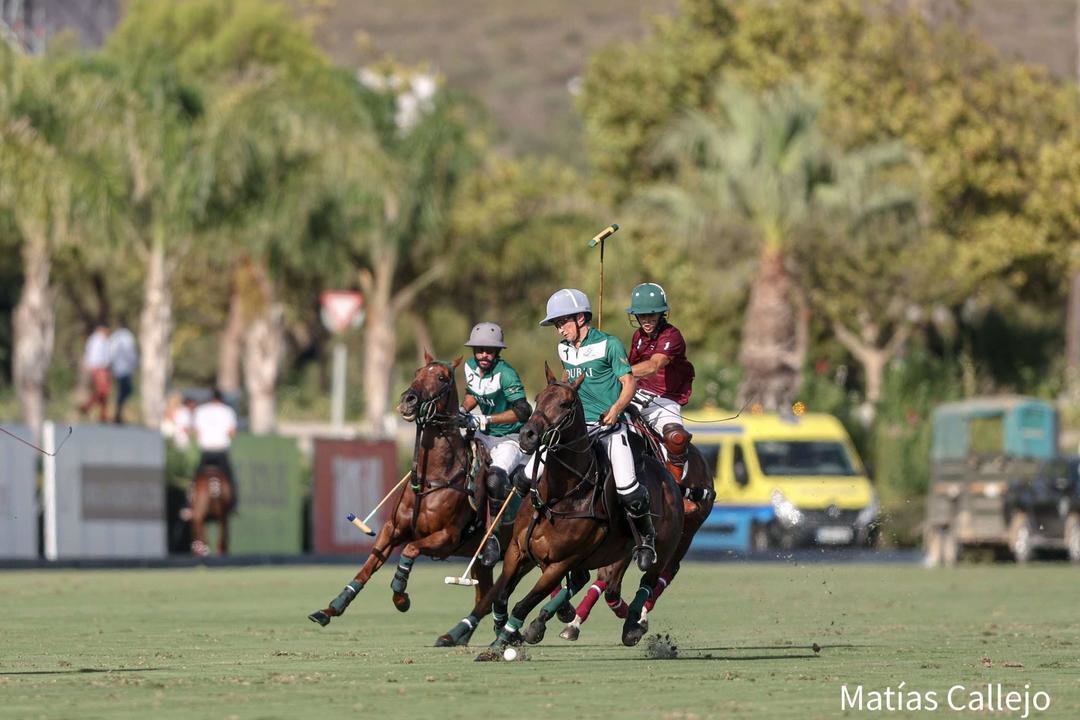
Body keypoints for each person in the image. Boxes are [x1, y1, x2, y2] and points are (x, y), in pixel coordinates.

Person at [524, 288, 656, 569]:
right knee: (527, 475)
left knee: (627, 488)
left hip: (609, 427)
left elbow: (629, 383)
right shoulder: (563, 349)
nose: (560, 330)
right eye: (557, 325)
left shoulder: (610, 344)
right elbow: (568, 384)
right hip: (577, 430)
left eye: (562, 323)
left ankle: (646, 539)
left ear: (581, 317)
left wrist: (616, 409)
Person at [459, 322, 533, 567]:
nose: (483, 355)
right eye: (479, 350)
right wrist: (462, 410)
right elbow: (474, 394)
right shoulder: (469, 366)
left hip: (509, 438)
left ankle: (493, 538)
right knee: (457, 460)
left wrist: (486, 418)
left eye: (489, 351)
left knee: (494, 479)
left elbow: (522, 411)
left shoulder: (507, 373)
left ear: (498, 352)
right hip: (484, 434)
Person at [625, 282, 695, 482]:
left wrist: (618, 372)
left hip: (665, 399)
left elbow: (654, 365)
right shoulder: (637, 336)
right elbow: (631, 369)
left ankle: (678, 490)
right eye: (641, 315)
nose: (646, 320)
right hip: (637, 393)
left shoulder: (672, 335)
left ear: (662, 314)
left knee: (676, 437)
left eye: (651, 315)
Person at [191, 388, 238, 495]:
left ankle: (189, 503)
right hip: (221, 451)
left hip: (205, 451)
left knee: (196, 479)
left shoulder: (201, 410)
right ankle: (233, 504)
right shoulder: (228, 411)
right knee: (230, 480)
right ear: (221, 399)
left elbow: (196, 432)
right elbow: (232, 433)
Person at [79, 324, 112, 422]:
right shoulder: (97, 340)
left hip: (103, 368)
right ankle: (87, 406)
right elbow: (95, 356)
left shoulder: (102, 340)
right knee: (102, 390)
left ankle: (103, 413)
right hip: (99, 368)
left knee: (104, 392)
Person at [108, 323, 138, 424]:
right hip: (123, 369)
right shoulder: (126, 336)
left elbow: (111, 352)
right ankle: (117, 413)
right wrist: (134, 363)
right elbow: (130, 352)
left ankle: (118, 413)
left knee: (124, 391)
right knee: (125, 390)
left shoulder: (115, 336)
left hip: (118, 368)